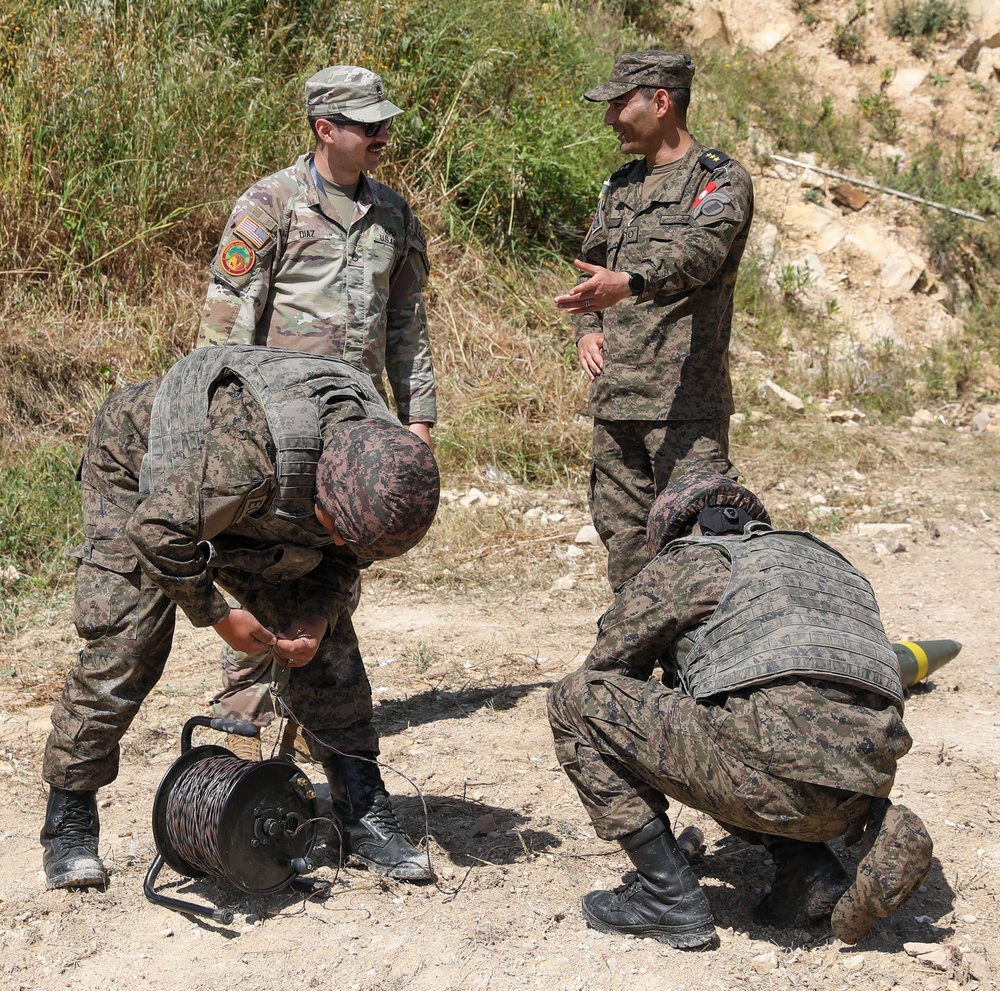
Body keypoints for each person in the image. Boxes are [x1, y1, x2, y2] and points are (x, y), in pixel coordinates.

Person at [40, 345, 441, 891]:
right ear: (322, 490)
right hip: (142, 469)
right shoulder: (244, 457)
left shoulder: (378, 464)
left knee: (332, 649)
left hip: (254, 497)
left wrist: (320, 617)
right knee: (129, 642)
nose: (348, 545)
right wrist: (220, 615)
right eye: (340, 531)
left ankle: (361, 809)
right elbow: (158, 533)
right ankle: (70, 819)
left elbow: (343, 555)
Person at [547, 468, 933, 948]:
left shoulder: (691, 561)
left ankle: (666, 898)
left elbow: (607, 670)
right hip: (854, 802)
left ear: (680, 532)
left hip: (760, 782)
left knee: (575, 700)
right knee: (760, 714)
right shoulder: (833, 567)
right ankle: (806, 874)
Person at [196, 65, 436, 749]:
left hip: (359, 432)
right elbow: (227, 323)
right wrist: (221, 422)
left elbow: (408, 325)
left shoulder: (393, 215)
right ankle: (242, 712)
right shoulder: (270, 204)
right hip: (276, 429)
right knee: (260, 562)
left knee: (338, 566)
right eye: (368, 125)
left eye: (385, 122)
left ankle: (314, 709)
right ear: (325, 129)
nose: (383, 134)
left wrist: (416, 422)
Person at [554, 51, 754, 592]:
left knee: (704, 541)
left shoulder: (718, 180)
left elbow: (699, 254)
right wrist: (586, 326)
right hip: (616, 401)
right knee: (626, 545)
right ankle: (641, 665)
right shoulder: (619, 185)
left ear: (660, 102)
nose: (609, 118)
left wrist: (632, 282)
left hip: (683, 409)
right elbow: (592, 266)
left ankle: (715, 666)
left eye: (620, 104)